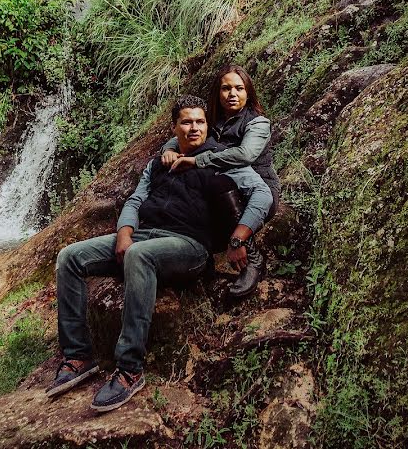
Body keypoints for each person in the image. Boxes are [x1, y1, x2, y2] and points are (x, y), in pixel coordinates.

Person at [46, 95, 272, 412]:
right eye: (187, 122)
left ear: (207, 125)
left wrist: (239, 237)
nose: (194, 128)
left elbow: (261, 194)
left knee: (139, 256)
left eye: (200, 122)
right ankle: (79, 356)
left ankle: (129, 369)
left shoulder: (220, 159)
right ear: (174, 126)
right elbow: (136, 200)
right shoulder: (159, 162)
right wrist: (124, 232)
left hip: (189, 246)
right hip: (142, 235)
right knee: (69, 257)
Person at [161, 65, 281, 297]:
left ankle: (251, 257)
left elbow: (245, 154)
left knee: (214, 186)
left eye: (239, 88)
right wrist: (169, 148)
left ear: (248, 93)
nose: (232, 94)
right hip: (220, 185)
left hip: (256, 188)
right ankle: (198, 261)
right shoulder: (210, 121)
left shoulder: (258, 123)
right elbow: (185, 132)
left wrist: (199, 160)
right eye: (226, 88)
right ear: (218, 93)